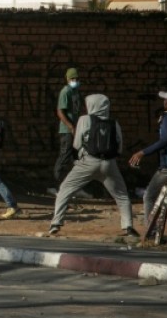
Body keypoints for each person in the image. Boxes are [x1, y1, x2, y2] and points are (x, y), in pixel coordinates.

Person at [48, 94, 138, 237]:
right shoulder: (114, 123)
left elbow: (76, 144)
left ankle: (55, 223)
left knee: (65, 189)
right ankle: (128, 226)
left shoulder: (84, 119)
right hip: (109, 164)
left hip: (87, 162)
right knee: (122, 196)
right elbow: (119, 147)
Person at [128, 89, 167, 227]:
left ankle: (150, 231)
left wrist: (142, 152)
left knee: (149, 196)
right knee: (163, 197)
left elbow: (164, 140)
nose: (163, 102)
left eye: (165, 100)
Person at [54, 67, 83, 185]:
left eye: (76, 78)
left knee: (77, 159)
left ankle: (75, 185)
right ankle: (57, 185)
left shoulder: (76, 92)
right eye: (72, 78)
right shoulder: (65, 92)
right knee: (64, 157)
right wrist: (70, 126)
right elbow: (60, 112)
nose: (75, 81)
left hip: (76, 130)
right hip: (67, 130)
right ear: (67, 79)